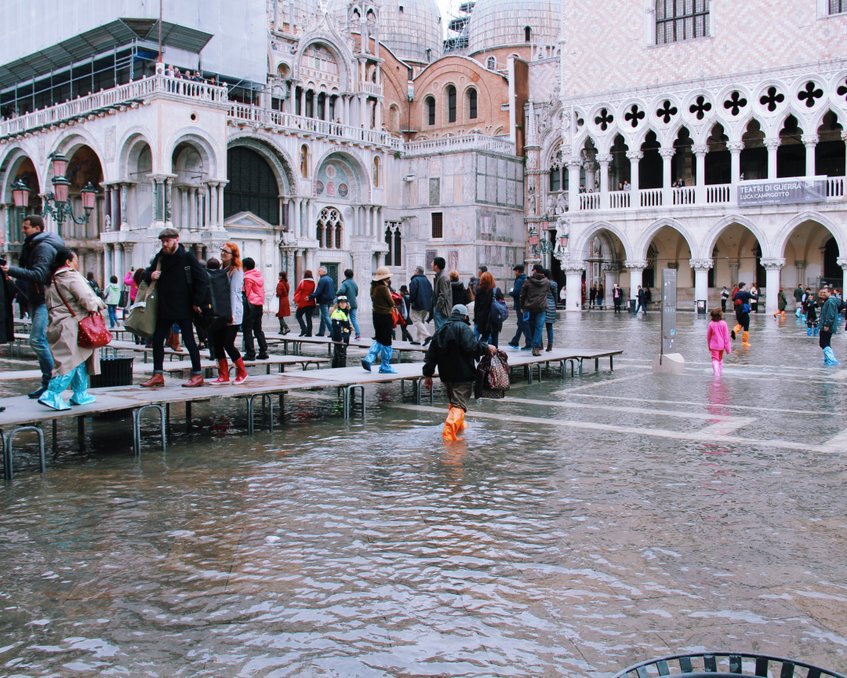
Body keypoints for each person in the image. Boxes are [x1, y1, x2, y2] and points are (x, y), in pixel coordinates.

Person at [1, 215, 65, 398]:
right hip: (35, 298)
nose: (23, 230)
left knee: (37, 339)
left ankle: (53, 382)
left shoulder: (43, 247)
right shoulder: (33, 246)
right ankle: (49, 383)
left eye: (26, 227)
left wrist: (10, 270)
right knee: (41, 341)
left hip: (44, 299)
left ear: (37, 228)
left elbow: (38, 274)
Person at [38, 247, 106, 410]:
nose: (77, 263)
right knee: (69, 361)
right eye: (75, 260)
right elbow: (87, 299)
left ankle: (80, 393)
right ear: (68, 262)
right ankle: (52, 394)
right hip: (73, 324)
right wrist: (99, 303)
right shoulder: (70, 275)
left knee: (79, 358)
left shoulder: (51, 279)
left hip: (58, 323)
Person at [139, 228, 209, 388]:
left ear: (176, 239)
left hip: (183, 306)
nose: (164, 244)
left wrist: (197, 302)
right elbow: (145, 273)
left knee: (190, 340)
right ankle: (158, 374)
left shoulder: (187, 256)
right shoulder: (161, 257)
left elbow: (202, 279)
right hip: (164, 305)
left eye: (167, 241)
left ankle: (197, 375)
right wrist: (151, 275)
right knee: (157, 340)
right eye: (162, 241)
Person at [422, 303, 497, 441]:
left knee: (454, 402)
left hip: (446, 376)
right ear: (465, 316)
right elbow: (472, 347)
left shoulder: (440, 330)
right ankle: (448, 435)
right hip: (463, 375)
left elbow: (431, 355)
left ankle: (460, 427)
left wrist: (428, 375)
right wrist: (486, 348)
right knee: (459, 404)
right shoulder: (463, 328)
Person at [209, 244, 249, 385]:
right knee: (217, 344)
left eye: (226, 251)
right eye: (222, 250)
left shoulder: (236, 270)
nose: (223, 253)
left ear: (233, 254)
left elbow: (233, 293)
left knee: (228, 343)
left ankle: (242, 372)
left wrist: (231, 314)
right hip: (221, 311)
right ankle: (223, 375)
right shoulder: (222, 268)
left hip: (232, 312)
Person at [361, 266, 397, 373]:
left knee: (379, 338)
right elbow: (391, 303)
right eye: (388, 278)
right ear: (384, 278)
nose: (389, 280)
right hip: (385, 316)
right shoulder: (383, 288)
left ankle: (369, 358)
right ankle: (385, 366)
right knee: (386, 341)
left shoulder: (373, 287)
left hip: (376, 315)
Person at [241, 257, 269, 360]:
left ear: (245, 267)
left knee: (247, 329)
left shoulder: (247, 278)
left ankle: (250, 353)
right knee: (258, 329)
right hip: (259, 304)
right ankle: (263, 351)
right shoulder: (259, 276)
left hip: (250, 304)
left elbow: (246, 292)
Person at [520, 264, 551, 356]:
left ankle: (536, 345)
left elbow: (522, 296)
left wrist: (522, 307)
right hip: (541, 307)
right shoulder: (547, 282)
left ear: (536, 271)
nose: (531, 271)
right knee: (539, 327)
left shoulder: (527, 282)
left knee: (532, 327)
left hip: (529, 307)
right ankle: (536, 347)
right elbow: (546, 293)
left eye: (533, 270)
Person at [408, 265, 433, 345]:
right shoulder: (427, 280)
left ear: (417, 271)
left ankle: (427, 336)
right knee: (420, 321)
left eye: (415, 270)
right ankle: (417, 339)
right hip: (426, 305)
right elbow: (431, 292)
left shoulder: (415, 280)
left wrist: (410, 301)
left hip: (417, 304)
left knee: (416, 320)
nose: (414, 271)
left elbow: (413, 293)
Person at [507, 264, 530, 348]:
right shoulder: (525, 278)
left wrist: (510, 292)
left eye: (514, 271)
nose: (514, 272)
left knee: (523, 323)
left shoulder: (519, 280)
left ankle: (529, 342)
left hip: (520, 305)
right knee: (521, 323)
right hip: (524, 304)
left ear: (517, 271)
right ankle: (515, 341)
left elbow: (516, 293)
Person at [309, 265, 335, 337]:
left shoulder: (322, 279)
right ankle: (321, 332)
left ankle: (333, 331)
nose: (318, 272)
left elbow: (318, 291)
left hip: (324, 300)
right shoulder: (330, 279)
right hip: (329, 299)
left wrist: (310, 296)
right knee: (323, 317)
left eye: (319, 271)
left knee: (326, 316)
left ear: (324, 271)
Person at [706, 308, 732, 378]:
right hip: (721, 345)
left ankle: (716, 374)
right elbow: (726, 337)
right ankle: (720, 372)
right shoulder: (724, 324)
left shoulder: (711, 324)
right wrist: (728, 349)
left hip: (714, 346)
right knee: (720, 359)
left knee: (715, 359)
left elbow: (708, 336)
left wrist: (709, 346)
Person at [473, 271, 496, 345]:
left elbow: (476, 306)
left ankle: (475, 348)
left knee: (475, 335)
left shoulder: (479, 290)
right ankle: (487, 350)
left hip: (480, 316)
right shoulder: (494, 291)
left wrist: (475, 318)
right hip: (490, 317)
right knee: (487, 335)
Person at [818, 287, 840, 366]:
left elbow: (830, 314)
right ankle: (828, 359)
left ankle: (831, 360)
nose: (822, 294)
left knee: (824, 342)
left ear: (829, 292)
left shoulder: (830, 301)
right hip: (825, 325)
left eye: (824, 292)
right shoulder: (827, 301)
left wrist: (827, 324)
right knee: (825, 342)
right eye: (821, 292)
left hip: (827, 326)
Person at [336, 269, 361, 339]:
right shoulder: (354, 283)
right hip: (354, 304)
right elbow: (356, 294)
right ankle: (358, 334)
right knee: (354, 319)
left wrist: (337, 293)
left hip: (346, 304)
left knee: (344, 319)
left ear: (345, 275)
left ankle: (345, 332)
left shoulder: (345, 283)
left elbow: (341, 291)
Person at [330, 295, 352, 367]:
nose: (343, 304)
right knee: (341, 356)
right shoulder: (338, 312)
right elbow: (336, 328)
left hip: (344, 337)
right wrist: (340, 338)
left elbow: (345, 324)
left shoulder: (345, 312)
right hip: (340, 338)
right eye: (341, 303)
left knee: (337, 355)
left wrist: (349, 327)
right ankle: (341, 371)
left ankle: (335, 370)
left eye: (344, 302)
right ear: (338, 304)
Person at [431, 257, 452, 331]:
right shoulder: (440, 275)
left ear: (436, 266)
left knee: (440, 331)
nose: (431, 264)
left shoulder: (443, 277)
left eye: (432, 263)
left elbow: (443, 295)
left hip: (442, 310)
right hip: (441, 309)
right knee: (441, 330)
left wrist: (437, 308)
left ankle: (441, 342)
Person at [293, 270, 316, 336]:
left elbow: (297, 290)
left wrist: (296, 299)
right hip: (311, 302)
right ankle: (309, 333)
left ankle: (303, 329)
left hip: (303, 302)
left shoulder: (303, 282)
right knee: (309, 318)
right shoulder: (313, 282)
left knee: (298, 315)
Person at [731, 281, 753, 346]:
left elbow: (733, 299)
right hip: (744, 311)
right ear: (743, 286)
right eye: (745, 286)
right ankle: (745, 342)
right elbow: (754, 297)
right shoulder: (746, 293)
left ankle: (734, 330)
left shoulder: (737, 294)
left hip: (738, 312)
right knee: (746, 326)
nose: (746, 287)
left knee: (740, 323)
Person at [545, 269, 558, 351]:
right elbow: (555, 296)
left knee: (538, 327)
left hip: (542, 305)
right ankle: (550, 345)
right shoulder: (553, 284)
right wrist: (555, 305)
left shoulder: (542, 283)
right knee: (549, 327)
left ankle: (539, 345)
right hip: (552, 306)